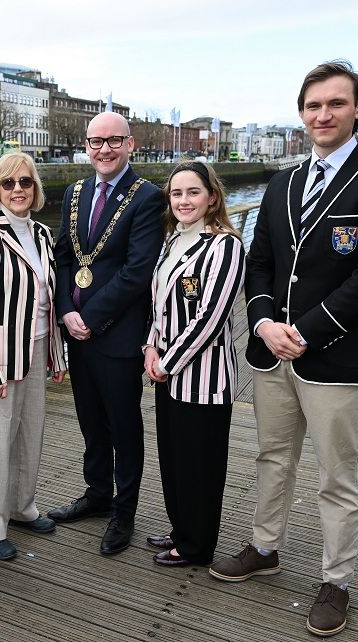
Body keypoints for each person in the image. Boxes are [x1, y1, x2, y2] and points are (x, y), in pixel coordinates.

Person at [208, 61, 358, 637]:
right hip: (275, 352)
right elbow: (262, 261)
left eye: (335, 104)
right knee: (273, 458)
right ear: (302, 114)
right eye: (312, 106)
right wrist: (264, 321)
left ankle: (336, 579)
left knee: (337, 473)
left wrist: (310, 329)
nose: (322, 115)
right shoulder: (284, 182)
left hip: (338, 355)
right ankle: (265, 547)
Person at [48, 112, 164, 555]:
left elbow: (137, 272)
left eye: (114, 141)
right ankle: (96, 495)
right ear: (86, 146)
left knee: (123, 427)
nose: (104, 150)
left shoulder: (147, 197)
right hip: (78, 334)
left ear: (130, 144)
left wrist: (89, 318)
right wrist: (64, 310)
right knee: (91, 423)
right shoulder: (75, 193)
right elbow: (61, 259)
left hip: (115, 336)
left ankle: (124, 511)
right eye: (96, 142)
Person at [0, 152, 67, 561]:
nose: (18, 190)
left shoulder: (41, 234)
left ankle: (21, 508)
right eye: (9, 183)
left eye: (25, 182)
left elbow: (48, 300)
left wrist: (56, 355)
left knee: (29, 433)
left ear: (35, 188)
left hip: (37, 346)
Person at [143, 162, 245, 568]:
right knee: (174, 458)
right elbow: (159, 307)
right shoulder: (172, 243)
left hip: (203, 379)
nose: (183, 200)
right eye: (176, 193)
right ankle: (181, 527)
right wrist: (150, 347)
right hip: (166, 374)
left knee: (200, 465)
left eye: (192, 192)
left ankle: (197, 545)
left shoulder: (225, 246)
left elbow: (210, 317)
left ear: (212, 197)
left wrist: (166, 361)